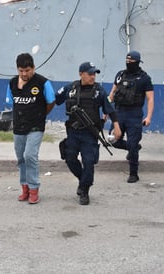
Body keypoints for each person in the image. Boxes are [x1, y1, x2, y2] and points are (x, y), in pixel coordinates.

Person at [56, 62, 121, 205]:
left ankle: (84, 190)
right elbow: (55, 99)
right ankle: (83, 180)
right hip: (73, 131)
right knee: (70, 158)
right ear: (81, 74)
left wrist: (116, 126)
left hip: (89, 133)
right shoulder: (70, 88)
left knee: (89, 162)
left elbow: (109, 110)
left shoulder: (99, 91)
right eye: (90, 74)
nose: (93, 77)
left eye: (94, 74)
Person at [5, 53, 55, 204]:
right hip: (19, 126)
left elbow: (51, 102)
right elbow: (11, 102)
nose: (24, 74)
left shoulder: (42, 83)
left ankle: (34, 189)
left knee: (29, 156)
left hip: (36, 127)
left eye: (27, 70)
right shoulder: (12, 83)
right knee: (21, 159)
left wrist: (41, 115)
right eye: (21, 70)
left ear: (33, 68)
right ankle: (24, 188)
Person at [108, 50, 154, 183]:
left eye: (131, 62)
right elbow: (112, 94)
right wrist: (106, 111)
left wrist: (149, 117)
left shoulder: (144, 78)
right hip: (119, 112)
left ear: (138, 62)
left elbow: (150, 99)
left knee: (133, 144)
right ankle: (133, 147)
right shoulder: (120, 75)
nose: (129, 64)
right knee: (113, 140)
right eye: (127, 61)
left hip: (134, 114)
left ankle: (133, 173)